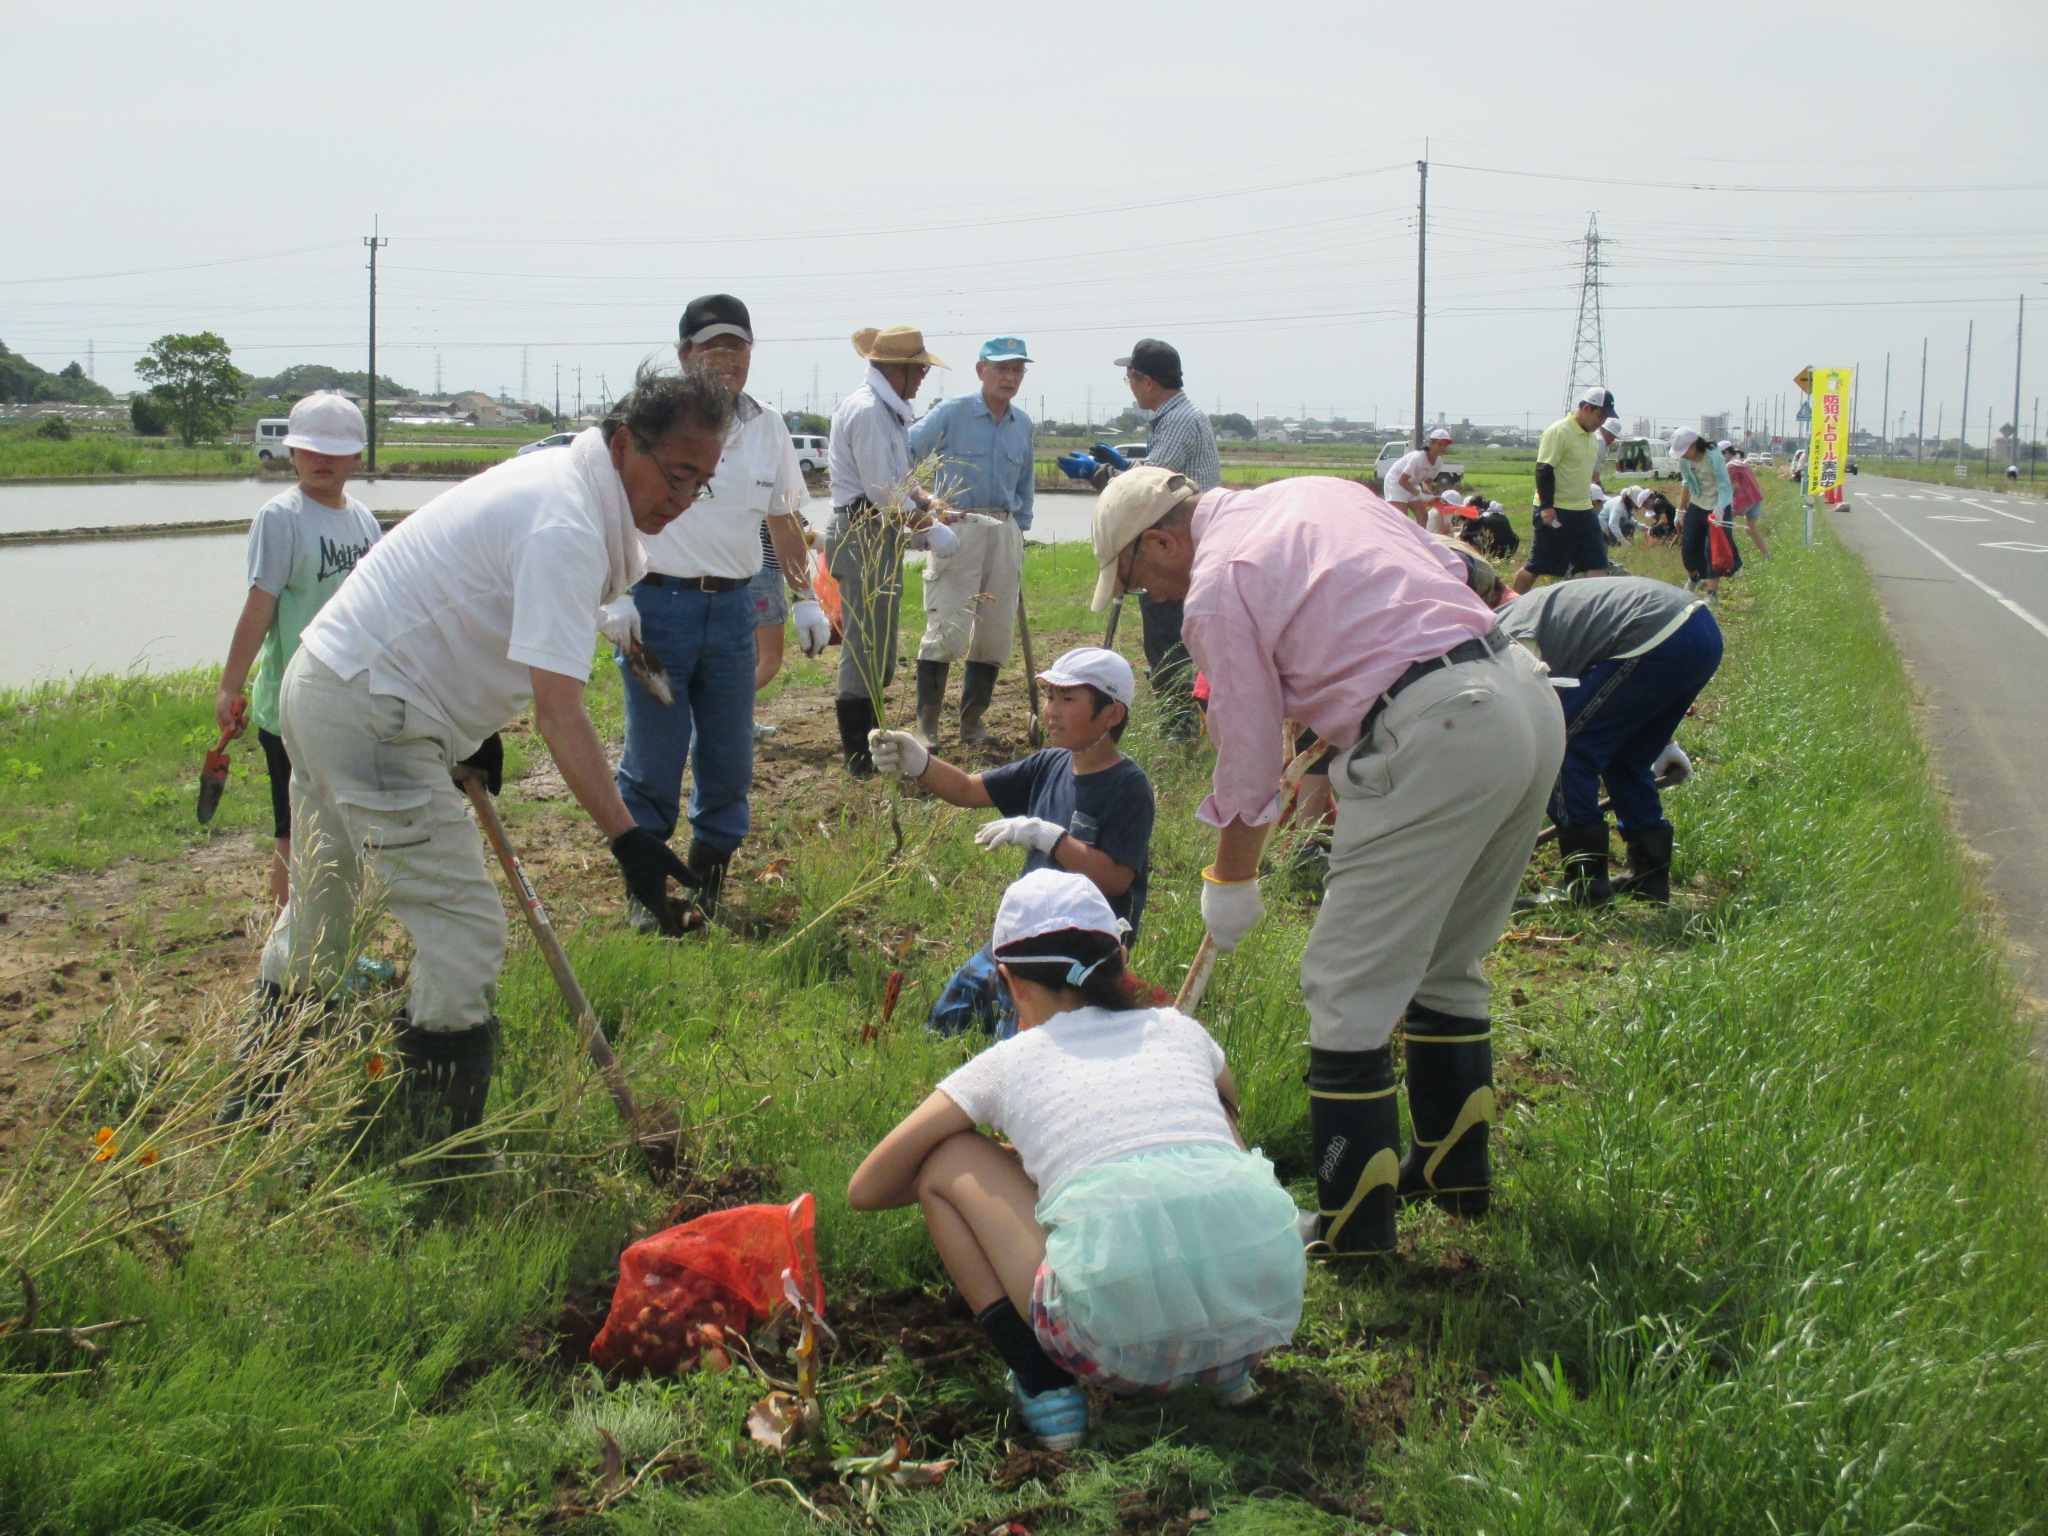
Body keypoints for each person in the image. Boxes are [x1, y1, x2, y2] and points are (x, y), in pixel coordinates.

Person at [238, 369, 724, 1146]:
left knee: (322, 920)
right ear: (626, 442)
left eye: (702, 482)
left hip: (329, 683)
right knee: (464, 931)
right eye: (675, 474)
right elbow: (560, 712)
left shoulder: (562, 481)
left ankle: (253, 1108)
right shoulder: (566, 524)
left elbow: (464, 598)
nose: (682, 497)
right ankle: (430, 1149)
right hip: (372, 711)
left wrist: (469, 731)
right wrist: (630, 842)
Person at [1088, 468, 1565, 1256]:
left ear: (1164, 540)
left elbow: (1244, 762)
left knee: (1344, 987)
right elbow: (1453, 574)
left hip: (1440, 730)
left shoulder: (1215, 583)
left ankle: (1353, 1227)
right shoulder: (1316, 493)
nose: (1154, 596)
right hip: (1521, 694)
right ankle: (1454, 1173)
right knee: (1446, 961)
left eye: (1141, 578)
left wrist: (1230, 881)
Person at [846, 869, 1306, 1450]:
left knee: (947, 1162)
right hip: (1261, 1310)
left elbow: (866, 1188)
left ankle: (1046, 1388)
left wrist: (1004, 1172)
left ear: (1010, 982)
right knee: (1209, 1118)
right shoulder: (1179, 1030)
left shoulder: (1008, 1063)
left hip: (1113, 1349)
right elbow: (1227, 1104)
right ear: (1118, 960)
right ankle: (1227, 1367)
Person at [601, 295, 829, 924]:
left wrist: (805, 595)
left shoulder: (769, 426)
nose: (727, 360)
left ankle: (706, 890)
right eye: (712, 348)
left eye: (738, 347)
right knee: (654, 754)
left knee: (728, 756)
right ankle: (645, 896)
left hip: (732, 610)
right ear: (684, 356)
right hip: (656, 605)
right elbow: (610, 508)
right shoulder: (651, 422)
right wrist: (614, 592)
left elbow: (783, 519)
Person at [869, 647, 1153, 1038]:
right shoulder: (1047, 764)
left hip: (1076, 954)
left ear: (1112, 714)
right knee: (947, 1021)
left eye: (1067, 699)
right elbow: (968, 790)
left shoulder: (1128, 786)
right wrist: (917, 761)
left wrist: (1048, 836)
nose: (1050, 710)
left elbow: (1117, 879)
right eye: (1050, 697)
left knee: (1019, 1043)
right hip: (1024, 933)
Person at [215, 391, 380, 910]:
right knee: (296, 828)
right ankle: (294, 950)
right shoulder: (280, 517)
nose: (323, 460)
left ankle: (336, 942)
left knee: (347, 825)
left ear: (358, 456)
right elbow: (260, 604)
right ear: (291, 453)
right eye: (311, 449)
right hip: (290, 703)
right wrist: (230, 686)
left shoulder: (365, 523)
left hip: (349, 702)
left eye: (337, 450)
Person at [1499, 575, 1722, 905]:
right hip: (1699, 629)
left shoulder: (1504, 635)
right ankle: (1649, 880)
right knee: (1625, 756)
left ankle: (1584, 890)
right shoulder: (1532, 610)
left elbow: (1538, 719)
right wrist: (1662, 745)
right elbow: (1613, 706)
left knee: (1566, 754)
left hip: (1655, 634)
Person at [827, 326, 959, 775]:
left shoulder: (888, 412)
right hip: (860, 530)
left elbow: (900, 483)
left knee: (880, 648)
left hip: (877, 533)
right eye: (919, 369)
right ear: (896, 370)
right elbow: (884, 494)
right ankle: (858, 758)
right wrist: (934, 531)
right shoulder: (867, 412)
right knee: (864, 647)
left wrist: (927, 503)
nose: (923, 377)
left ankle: (870, 747)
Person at [906, 337, 1037, 748]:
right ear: (981, 370)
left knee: (994, 634)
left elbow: (1026, 483)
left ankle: (972, 723)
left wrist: (1020, 531)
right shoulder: (952, 412)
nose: (1009, 377)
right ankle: (926, 727)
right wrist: (924, 508)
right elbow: (901, 454)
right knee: (947, 626)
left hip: (1004, 528)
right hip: (958, 525)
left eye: (1017, 370)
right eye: (1001, 369)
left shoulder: (1024, 424)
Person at [1116, 338, 1220, 738]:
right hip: (1189, 542)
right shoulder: (1176, 416)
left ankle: (1180, 729)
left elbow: (1151, 483)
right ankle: (1186, 721)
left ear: (1146, 381)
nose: (1129, 386)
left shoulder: (1178, 420)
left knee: (1168, 638)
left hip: (1181, 549)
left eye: (1129, 378)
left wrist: (1106, 478)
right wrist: (1123, 466)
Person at [1514, 387, 1619, 593]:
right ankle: (1507, 607)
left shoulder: (1591, 437)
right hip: (1556, 509)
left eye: (1605, 417)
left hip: (1584, 510)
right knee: (1537, 565)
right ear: (1587, 408)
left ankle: (1590, 612)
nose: (1601, 421)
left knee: (1597, 564)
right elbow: (1544, 469)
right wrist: (1546, 506)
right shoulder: (1559, 431)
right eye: (1600, 415)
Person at [1671, 428, 1739, 601]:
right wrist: (1680, 511)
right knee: (1688, 547)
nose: (1683, 455)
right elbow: (1686, 482)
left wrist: (1720, 508)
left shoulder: (1714, 457)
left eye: (1685, 451)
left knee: (1712, 550)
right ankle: (1694, 579)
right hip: (1697, 503)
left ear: (1694, 445)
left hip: (1718, 506)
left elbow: (1725, 486)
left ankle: (1712, 594)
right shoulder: (1685, 461)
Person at [1382, 427, 1455, 527]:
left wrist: (1431, 498)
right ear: (1431, 443)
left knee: (1423, 517)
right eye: (1440, 444)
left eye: (1445, 445)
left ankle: (1418, 541)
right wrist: (1421, 495)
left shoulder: (1438, 463)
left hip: (1412, 484)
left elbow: (1427, 482)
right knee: (1402, 519)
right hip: (1396, 483)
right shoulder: (1418, 458)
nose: (1443, 448)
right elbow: (1402, 480)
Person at [1724, 443, 1767, 557]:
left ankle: (1727, 555)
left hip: (1743, 500)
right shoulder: (1742, 462)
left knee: (1721, 523)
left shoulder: (1731, 466)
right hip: (1756, 498)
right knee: (1750, 529)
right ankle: (1766, 555)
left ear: (1727, 453)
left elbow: (1735, 486)